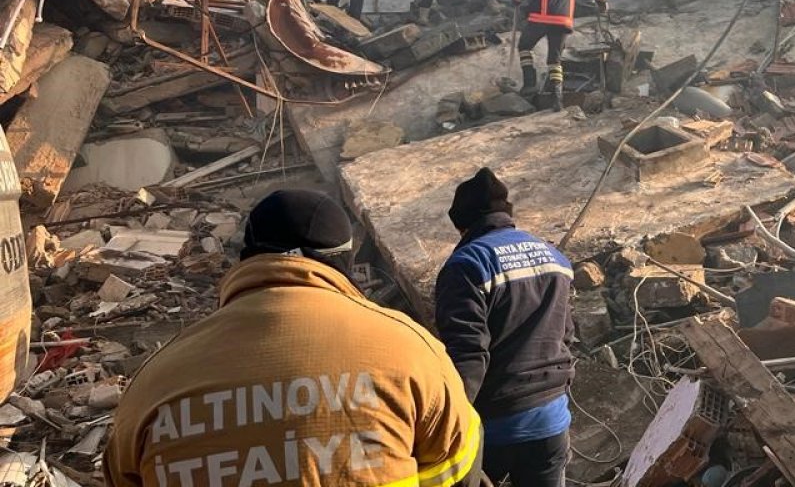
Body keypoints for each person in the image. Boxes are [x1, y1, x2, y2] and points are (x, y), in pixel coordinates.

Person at [105, 190, 484, 487]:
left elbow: (121, 475)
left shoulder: (155, 381)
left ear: (247, 258)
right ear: (343, 263)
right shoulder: (408, 349)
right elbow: (459, 460)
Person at [435, 168, 575, 487]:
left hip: (495, 427)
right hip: (552, 420)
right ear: (506, 214)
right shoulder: (555, 257)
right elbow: (566, 334)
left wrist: (447, 429)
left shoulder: (467, 266)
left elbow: (467, 357)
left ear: (460, 223)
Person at [511, 0, 607, 111]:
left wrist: (516, 0)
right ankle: (557, 100)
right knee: (555, 60)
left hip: (540, 19)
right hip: (562, 21)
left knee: (525, 46)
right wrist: (602, 1)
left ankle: (530, 83)